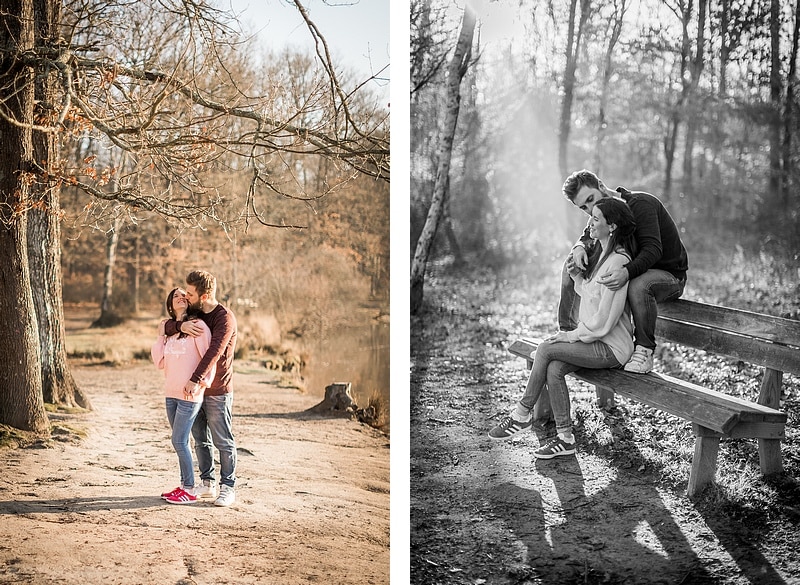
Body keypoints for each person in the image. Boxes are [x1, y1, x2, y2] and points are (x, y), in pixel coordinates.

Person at [489, 198, 637, 459]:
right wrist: (577, 276)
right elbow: (591, 297)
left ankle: (522, 414)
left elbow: (604, 321)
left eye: (596, 219)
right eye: (590, 217)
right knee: (554, 368)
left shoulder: (618, 262)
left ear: (612, 226)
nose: (589, 223)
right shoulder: (601, 254)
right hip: (595, 341)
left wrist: (570, 336)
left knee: (546, 348)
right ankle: (565, 438)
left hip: (612, 348)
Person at [561, 170, 689, 374]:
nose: (590, 209)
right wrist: (578, 247)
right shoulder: (603, 212)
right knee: (571, 267)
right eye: (584, 207)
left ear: (601, 186)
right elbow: (588, 234)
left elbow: (653, 250)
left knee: (639, 285)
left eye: (591, 199)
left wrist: (627, 272)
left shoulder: (641, 204)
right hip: (637, 271)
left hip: (668, 275)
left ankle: (645, 350)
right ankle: (567, 335)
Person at [163, 270, 238, 507]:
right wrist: (180, 327)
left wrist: (195, 379)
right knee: (199, 439)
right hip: (194, 392)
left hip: (216, 390)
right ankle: (207, 483)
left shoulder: (224, 318)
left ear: (204, 296)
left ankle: (228, 487)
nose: (186, 296)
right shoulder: (195, 313)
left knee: (222, 440)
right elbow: (165, 326)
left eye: (191, 293)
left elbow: (213, 353)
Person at [151, 288, 215, 504]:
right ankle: (184, 485)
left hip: (190, 394)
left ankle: (188, 488)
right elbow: (159, 362)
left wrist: (200, 384)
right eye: (175, 295)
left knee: (178, 440)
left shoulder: (199, 327)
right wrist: (161, 334)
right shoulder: (170, 332)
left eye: (183, 294)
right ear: (170, 304)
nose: (181, 297)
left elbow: (209, 357)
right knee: (181, 442)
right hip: (171, 393)